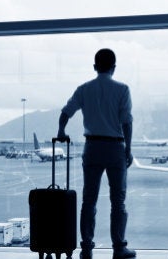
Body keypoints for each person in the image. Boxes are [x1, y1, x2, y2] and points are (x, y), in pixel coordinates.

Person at [58, 48, 135, 259]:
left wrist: (61, 131)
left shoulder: (84, 89)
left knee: (88, 201)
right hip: (115, 147)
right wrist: (128, 149)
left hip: (92, 147)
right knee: (118, 202)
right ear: (114, 67)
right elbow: (126, 121)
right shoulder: (122, 89)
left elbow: (66, 112)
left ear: (94, 67)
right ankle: (119, 247)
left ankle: (86, 248)